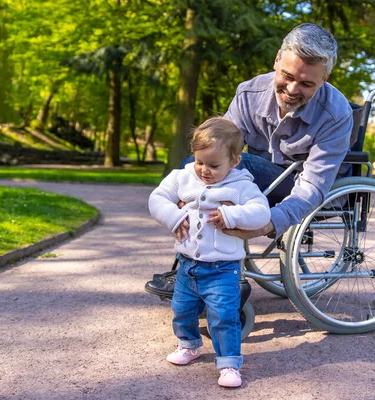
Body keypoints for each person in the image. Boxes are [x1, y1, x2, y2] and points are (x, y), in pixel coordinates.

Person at [148, 117, 271, 388]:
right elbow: (156, 198)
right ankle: (189, 344)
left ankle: (229, 362)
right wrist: (173, 216)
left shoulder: (242, 186)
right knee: (181, 308)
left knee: (223, 316)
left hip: (222, 269)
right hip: (187, 265)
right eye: (200, 162)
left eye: (214, 165)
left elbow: (262, 213)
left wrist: (232, 214)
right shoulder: (182, 177)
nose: (204, 170)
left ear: (235, 161)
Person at [223, 22, 353, 240]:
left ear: (324, 80)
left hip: (307, 188)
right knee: (200, 163)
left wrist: (269, 223)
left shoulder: (336, 114)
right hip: (261, 182)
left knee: (239, 164)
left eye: (306, 84)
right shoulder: (248, 94)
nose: (292, 90)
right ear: (276, 60)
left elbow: (313, 185)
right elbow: (218, 147)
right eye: (288, 76)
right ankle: (191, 268)